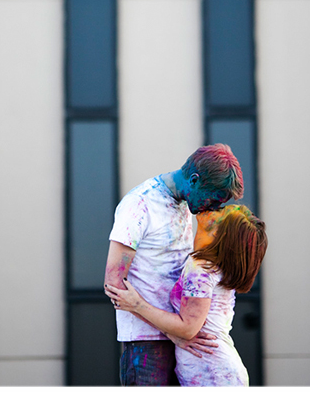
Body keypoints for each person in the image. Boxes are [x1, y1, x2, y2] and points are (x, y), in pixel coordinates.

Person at [103, 143, 244, 385]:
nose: (212, 207)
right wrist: (174, 333)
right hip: (147, 343)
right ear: (195, 180)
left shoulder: (185, 204)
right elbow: (114, 284)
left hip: (182, 340)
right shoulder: (140, 203)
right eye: (213, 198)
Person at [105, 204, 268, 386]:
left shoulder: (201, 268)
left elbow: (188, 328)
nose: (214, 207)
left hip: (213, 375)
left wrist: (136, 305)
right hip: (215, 372)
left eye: (221, 212)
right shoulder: (209, 266)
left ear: (219, 232)